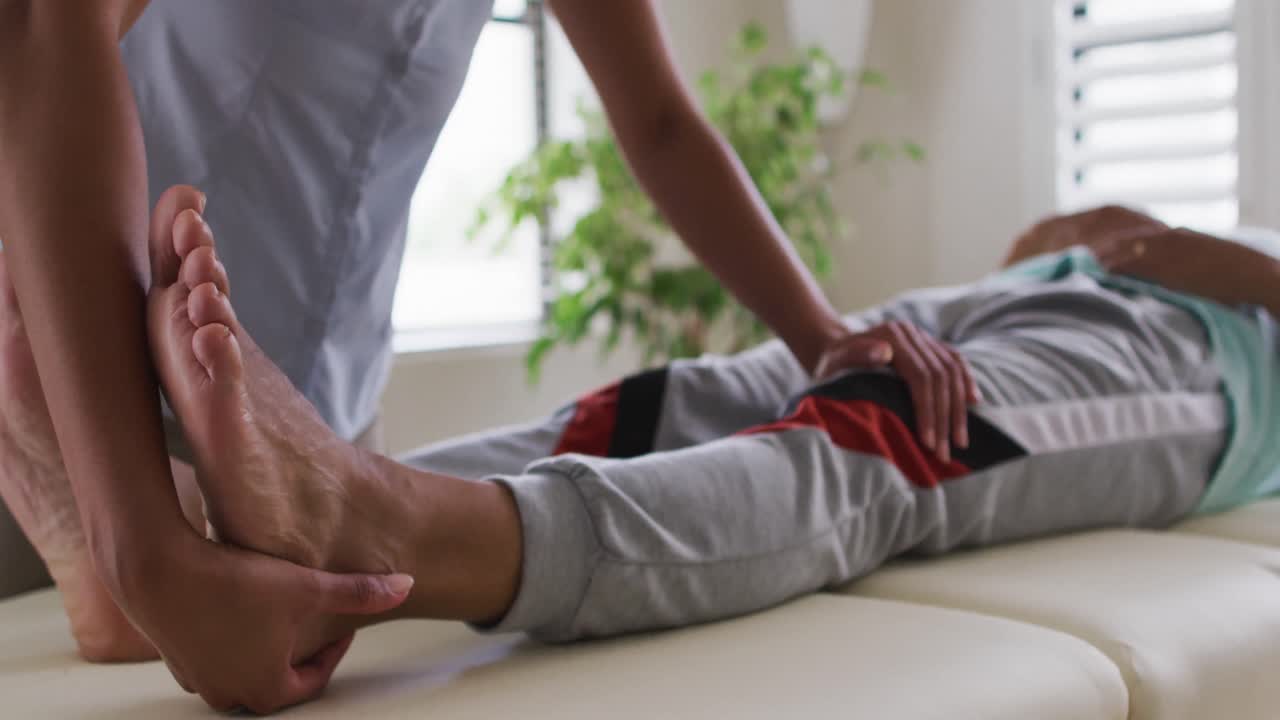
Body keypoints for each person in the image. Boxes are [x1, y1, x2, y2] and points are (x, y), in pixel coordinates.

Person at [8, 196, 1279, 714]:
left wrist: (1169, 252)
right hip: (1011, 300)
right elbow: (1060, 231)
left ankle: (390, 521)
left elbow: (1135, 245)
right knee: (676, 396)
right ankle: (199, 529)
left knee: (886, 436)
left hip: (1195, 371)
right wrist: (1122, 239)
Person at [0, 2, 904, 710]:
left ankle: (188, 519)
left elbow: (662, 121)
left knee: (325, 561)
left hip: (311, 401)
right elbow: (45, 26)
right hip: (79, 354)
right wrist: (138, 547)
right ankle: (94, 533)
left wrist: (821, 333)